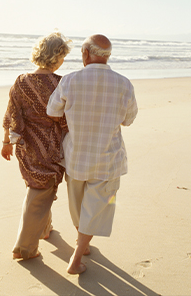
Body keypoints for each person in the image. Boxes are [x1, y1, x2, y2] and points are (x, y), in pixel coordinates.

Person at [46, 34, 138, 274]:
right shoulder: (124, 83)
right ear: (107, 56)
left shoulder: (70, 80)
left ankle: (80, 246)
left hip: (76, 156)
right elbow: (128, 120)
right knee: (98, 206)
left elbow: (52, 111)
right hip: (108, 158)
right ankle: (79, 253)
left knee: (77, 205)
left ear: (85, 53)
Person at [1, 32, 71, 260]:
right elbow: (66, 119)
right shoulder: (60, 83)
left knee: (40, 184)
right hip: (50, 144)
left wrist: (6, 142)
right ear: (57, 56)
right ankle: (25, 248)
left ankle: (44, 229)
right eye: (63, 56)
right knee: (41, 189)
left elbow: (12, 113)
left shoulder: (21, 81)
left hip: (27, 144)